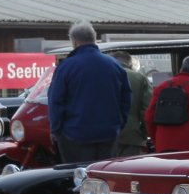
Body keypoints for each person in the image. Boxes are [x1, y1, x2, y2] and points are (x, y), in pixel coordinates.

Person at [46, 22, 131, 164]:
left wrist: (55, 130)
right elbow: (126, 98)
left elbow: (55, 101)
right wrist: (119, 124)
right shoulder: (114, 65)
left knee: (78, 174)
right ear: (94, 39)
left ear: (74, 42)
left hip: (74, 134)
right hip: (108, 133)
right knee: (104, 173)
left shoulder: (66, 67)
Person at [145, 55, 189, 153]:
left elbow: (149, 117)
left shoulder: (161, 87)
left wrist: (156, 139)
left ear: (181, 69)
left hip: (163, 142)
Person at [109, 50, 153, 156]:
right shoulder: (140, 78)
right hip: (132, 136)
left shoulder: (101, 76)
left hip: (105, 136)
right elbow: (147, 110)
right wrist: (145, 134)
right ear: (130, 63)